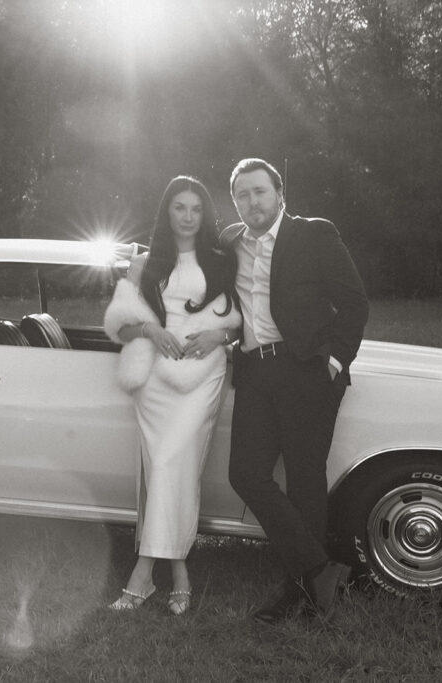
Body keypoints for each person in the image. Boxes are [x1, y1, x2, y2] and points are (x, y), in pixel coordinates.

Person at [219, 158, 369, 624]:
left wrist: (334, 362)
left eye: (259, 191)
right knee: (246, 474)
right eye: (242, 195)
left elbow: (354, 303)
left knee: (304, 479)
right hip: (254, 372)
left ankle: (301, 591)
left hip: (306, 371)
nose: (252, 202)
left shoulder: (314, 234)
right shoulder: (230, 243)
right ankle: (321, 570)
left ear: (280, 193)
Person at [103, 175, 241, 615]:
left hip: (203, 374)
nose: (187, 216)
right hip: (155, 381)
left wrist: (219, 335)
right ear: (167, 211)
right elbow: (119, 326)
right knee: (169, 470)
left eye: (196, 208)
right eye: (179, 207)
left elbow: (243, 321)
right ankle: (179, 573)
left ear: (205, 214)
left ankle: (142, 575)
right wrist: (151, 329)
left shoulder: (222, 261)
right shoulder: (144, 263)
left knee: (169, 464)